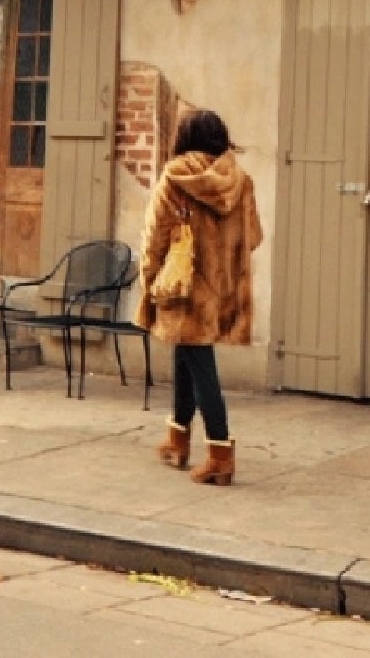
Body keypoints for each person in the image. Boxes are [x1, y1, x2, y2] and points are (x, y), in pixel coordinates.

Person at [141, 109, 263, 486]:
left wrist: (149, 281)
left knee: (202, 368)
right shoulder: (241, 181)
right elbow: (254, 237)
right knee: (186, 354)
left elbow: (154, 237)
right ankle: (178, 439)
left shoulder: (175, 177)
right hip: (220, 287)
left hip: (184, 286)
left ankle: (221, 455)